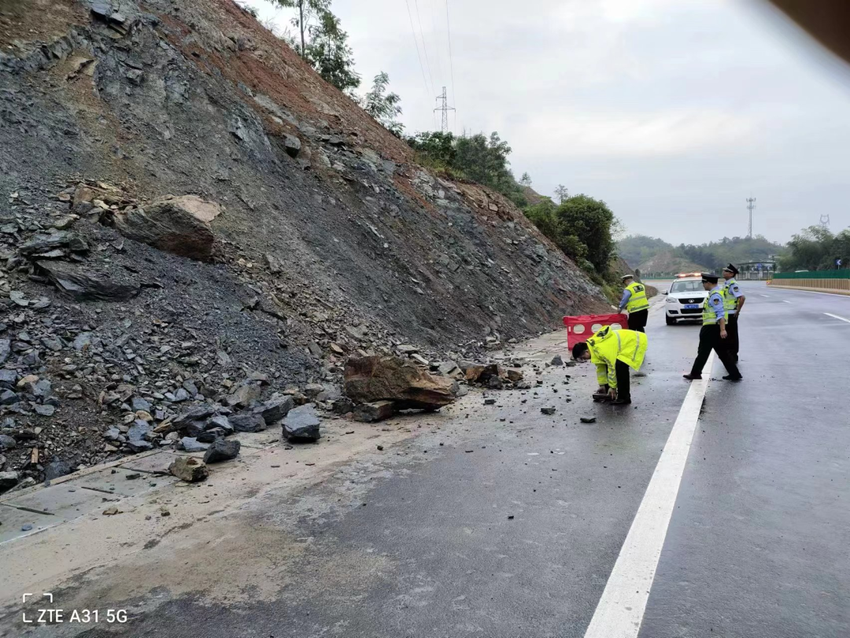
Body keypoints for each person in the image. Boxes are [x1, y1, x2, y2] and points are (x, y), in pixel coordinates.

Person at [683, 274, 742, 381]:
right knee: (722, 353)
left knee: (703, 352)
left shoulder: (715, 296)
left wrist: (723, 329)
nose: (703, 285)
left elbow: (720, 313)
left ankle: (695, 373)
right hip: (714, 328)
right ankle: (734, 373)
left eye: (703, 283)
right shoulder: (715, 293)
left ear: (708, 283)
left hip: (711, 329)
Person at [571, 325, 648, 405]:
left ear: (586, 351)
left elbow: (612, 367)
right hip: (625, 343)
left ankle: (624, 398)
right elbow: (601, 368)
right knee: (608, 365)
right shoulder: (593, 347)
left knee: (620, 366)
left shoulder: (601, 349)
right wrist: (602, 385)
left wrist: (613, 387)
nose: (584, 359)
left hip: (634, 342)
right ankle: (609, 392)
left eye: (583, 357)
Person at [722, 264, 746, 362]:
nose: (724, 272)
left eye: (726, 271)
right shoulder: (726, 283)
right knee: (728, 335)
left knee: (732, 335)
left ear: (731, 274)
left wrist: (738, 310)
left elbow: (742, 297)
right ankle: (729, 354)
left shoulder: (733, 285)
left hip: (731, 313)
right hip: (726, 313)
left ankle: (733, 355)